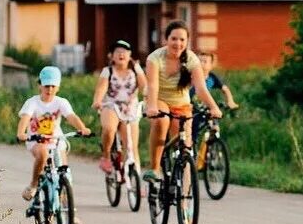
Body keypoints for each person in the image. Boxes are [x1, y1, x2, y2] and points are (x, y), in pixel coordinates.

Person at [143, 20, 221, 182]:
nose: (178, 43)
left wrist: (213, 107)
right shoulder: (155, 58)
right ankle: (155, 168)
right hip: (158, 99)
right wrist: (151, 107)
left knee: (186, 146)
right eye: (174, 39)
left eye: (182, 40)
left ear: (187, 42)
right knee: (162, 121)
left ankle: (185, 199)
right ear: (166, 40)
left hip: (181, 102)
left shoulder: (192, 60)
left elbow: (200, 88)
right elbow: (152, 86)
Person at [16, 66, 91, 224]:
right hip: (36, 140)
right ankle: (34, 185)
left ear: (58, 87)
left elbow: (71, 117)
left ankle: (69, 213)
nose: (49, 89)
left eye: (53, 86)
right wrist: (21, 133)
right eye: (46, 85)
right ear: (40, 85)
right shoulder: (33, 103)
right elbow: (25, 118)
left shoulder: (61, 102)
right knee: (42, 154)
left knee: (64, 173)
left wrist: (82, 128)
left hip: (56, 140)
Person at [91, 39, 147, 174]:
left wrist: (148, 99)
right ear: (112, 55)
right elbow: (101, 89)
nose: (121, 55)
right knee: (109, 129)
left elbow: (145, 87)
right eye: (117, 52)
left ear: (130, 55)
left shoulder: (135, 69)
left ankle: (135, 181)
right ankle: (106, 156)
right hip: (111, 105)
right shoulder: (108, 71)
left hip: (130, 108)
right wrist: (97, 101)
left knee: (131, 147)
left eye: (124, 52)